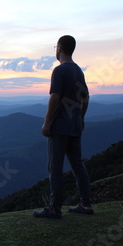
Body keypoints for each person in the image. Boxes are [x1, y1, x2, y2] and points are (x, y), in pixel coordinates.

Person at [33, 35, 93, 219]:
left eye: (55, 47)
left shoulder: (60, 71)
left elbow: (55, 97)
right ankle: (86, 204)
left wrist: (47, 122)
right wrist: (81, 118)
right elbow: (86, 98)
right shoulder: (78, 71)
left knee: (55, 167)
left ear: (59, 48)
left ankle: (54, 208)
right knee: (78, 165)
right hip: (75, 125)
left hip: (60, 127)